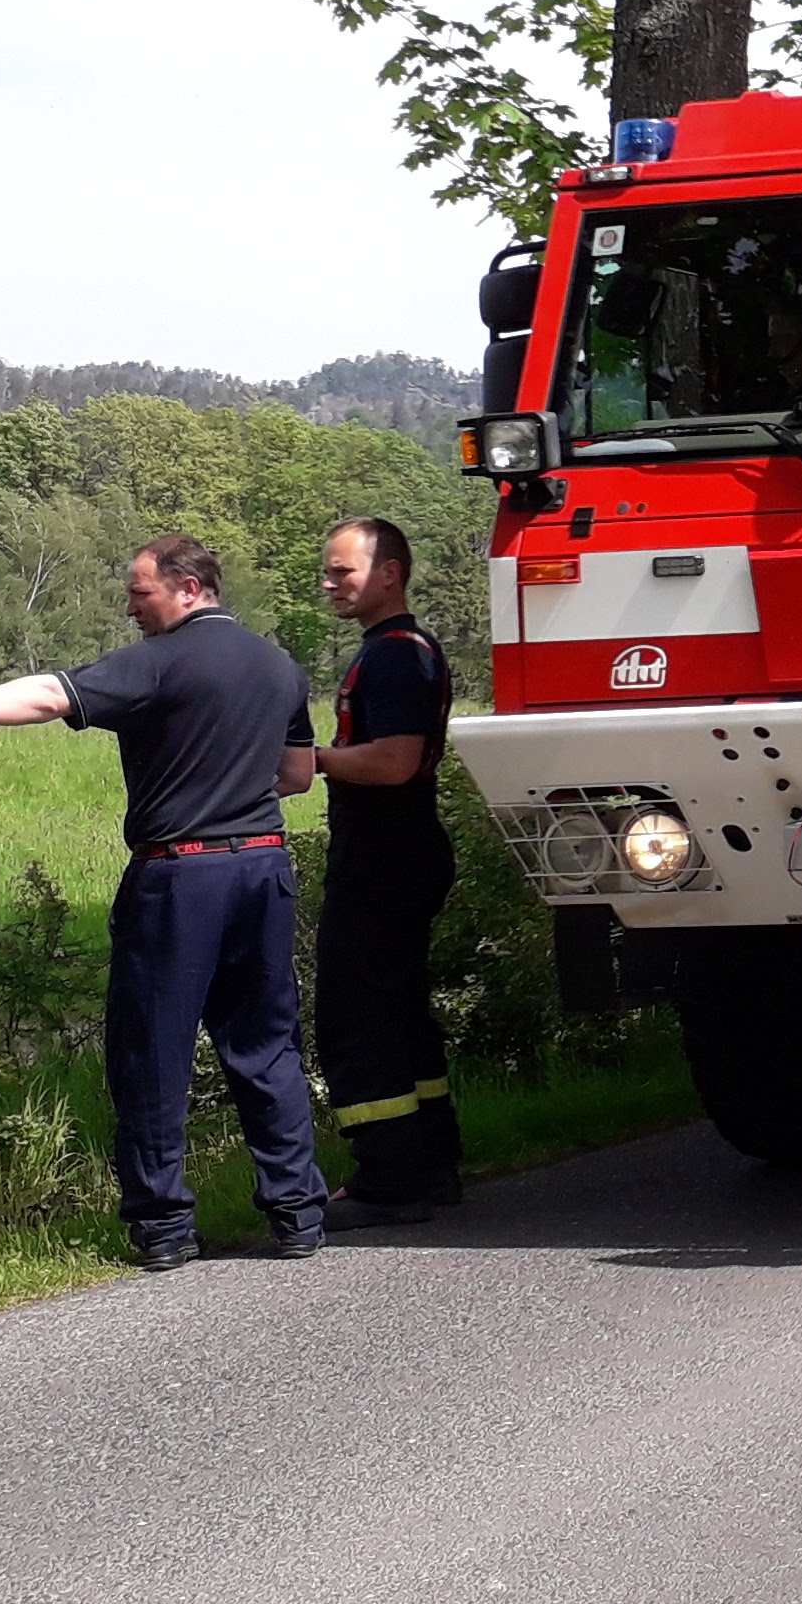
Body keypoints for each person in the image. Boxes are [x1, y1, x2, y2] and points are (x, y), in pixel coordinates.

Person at [0, 534, 326, 1270]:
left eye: (140, 594)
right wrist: (228, 784)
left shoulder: (158, 663)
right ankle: (298, 1214)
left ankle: (165, 1228)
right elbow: (298, 775)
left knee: (152, 1051)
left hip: (180, 877)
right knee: (266, 1046)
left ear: (189, 590)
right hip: (263, 869)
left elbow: (47, 695)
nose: (130, 607)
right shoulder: (279, 666)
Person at [305, 516, 461, 1227]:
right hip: (406, 851)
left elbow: (394, 761)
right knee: (401, 1012)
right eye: (329, 572)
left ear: (389, 573)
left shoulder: (396, 655)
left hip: (383, 858)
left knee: (358, 1015)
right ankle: (432, 1165)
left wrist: (311, 760)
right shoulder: (405, 648)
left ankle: (389, 1181)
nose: (329, 584)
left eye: (343, 572)